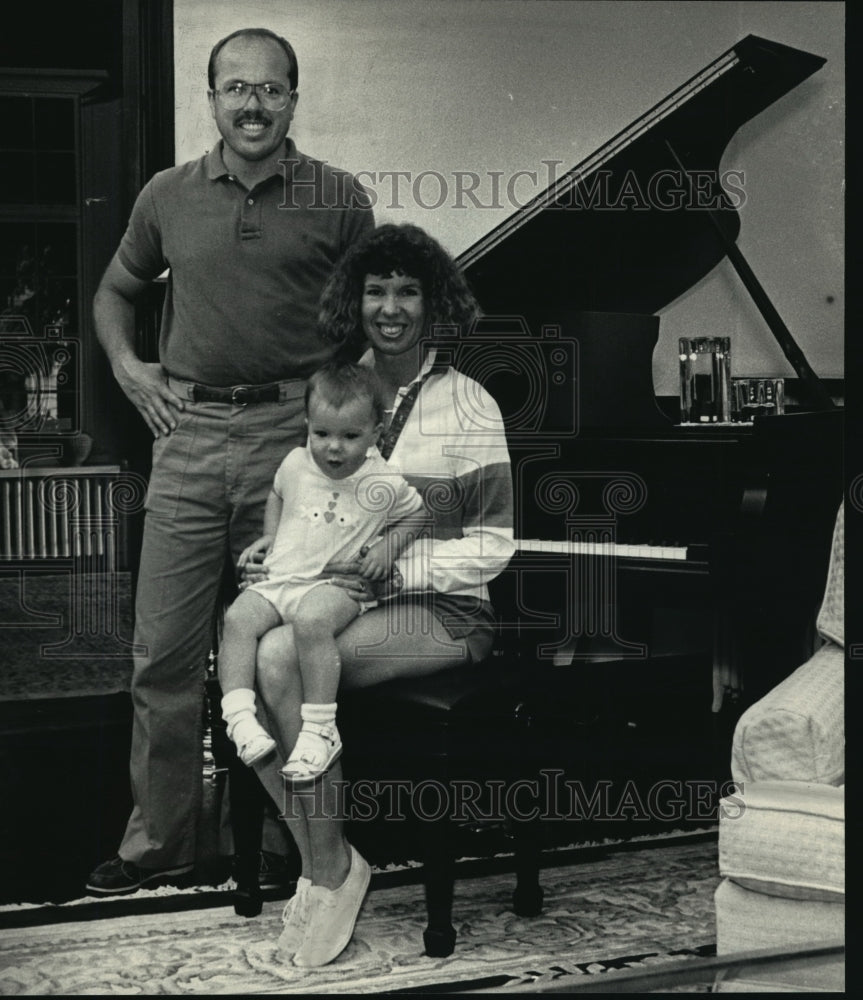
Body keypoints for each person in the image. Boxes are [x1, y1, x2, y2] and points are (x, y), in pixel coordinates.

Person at [85, 26, 374, 896]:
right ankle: (160, 847)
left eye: (271, 88)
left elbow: (374, 325)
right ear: (210, 99)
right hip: (188, 438)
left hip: (296, 443)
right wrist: (132, 370)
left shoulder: (338, 198)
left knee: (283, 647)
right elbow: (113, 292)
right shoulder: (166, 196)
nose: (253, 103)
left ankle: (299, 846)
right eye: (235, 88)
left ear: (294, 97)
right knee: (163, 655)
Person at [247, 223, 515, 968]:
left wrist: (395, 573)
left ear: (433, 304)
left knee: (288, 660)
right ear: (354, 301)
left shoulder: (468, 404)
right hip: (339, 601)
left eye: (406, 291)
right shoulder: (341, 392)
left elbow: (492, 545)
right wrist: (281, 553)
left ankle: (325, 871)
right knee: (267, 655)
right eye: (375, 290)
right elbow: (311, 509)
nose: (389, 307)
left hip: (447, 609)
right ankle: (331, 866)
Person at [219, 361, 429, 780]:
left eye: (350, 436)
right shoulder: (296, 462)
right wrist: (270, 538)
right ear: (306, 426)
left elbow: (418, 514)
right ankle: (239, 717)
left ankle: (319, 728)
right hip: (283, 579)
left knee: (313, 621)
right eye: (322, 434)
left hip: (334, 586)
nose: (334, 448)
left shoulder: (383, 481)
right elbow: (278, 494)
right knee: (237, 617)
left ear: (376, 432)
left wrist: (387, 550)